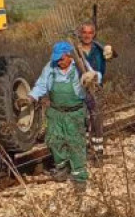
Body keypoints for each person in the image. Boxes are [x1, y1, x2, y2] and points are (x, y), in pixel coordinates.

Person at [21, 41, 97, 188]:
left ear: (69, 56)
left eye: (61, 59)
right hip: (55, 112)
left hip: (74, 112)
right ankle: (62, 169)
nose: (58, 62)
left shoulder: (81, 66)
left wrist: (92, 78)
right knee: (54, 141)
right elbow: (41, 85)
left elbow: (95, 77)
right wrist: (30, 98)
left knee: (76, 144)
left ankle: (80, 178)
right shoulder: (50, 67)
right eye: (56, 59)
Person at [76, 22, 111, 156]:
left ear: (94, 34)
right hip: (79, 90)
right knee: (82, 121)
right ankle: (83, 153)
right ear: (80, 34)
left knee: (97, 121)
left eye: (90, 33)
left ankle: (98, 153)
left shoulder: (99, 49)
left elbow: (111, 58)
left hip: (96, 90)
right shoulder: (75, 50)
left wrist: (111, 51)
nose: (87, 35)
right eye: (84, 32)